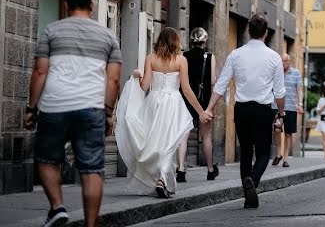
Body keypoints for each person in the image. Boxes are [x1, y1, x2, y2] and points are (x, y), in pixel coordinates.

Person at [25, 0, 122, 227]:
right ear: (91, 4)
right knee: (92, 168)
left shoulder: (51, 31)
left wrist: (31, 109)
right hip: (91, 108)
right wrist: (109, 113)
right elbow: (113, 80)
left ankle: (57, 206)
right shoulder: (108, 36)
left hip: (54, 106)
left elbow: (39, 71)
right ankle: (90, 224)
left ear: (66, 4)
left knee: (47, 159)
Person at [203, 14, 285, 209]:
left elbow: (221, 84)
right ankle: (253, 182)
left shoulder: (236, 54)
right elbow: (280, 92)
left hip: (241, 110)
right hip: (263, 110)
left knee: (246, 151)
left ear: (249, 30)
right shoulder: (274, 57)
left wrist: (208, 109)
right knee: (264, 152)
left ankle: (247, 188)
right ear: (266, 32)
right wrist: (281, 114)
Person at [116, 28, 207, 199]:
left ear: (159, 41)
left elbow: (144, 86)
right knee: (169, 142)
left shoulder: (151, 58)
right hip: (173, 102)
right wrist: (201, 111)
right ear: (175, 42)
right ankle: (161, 179)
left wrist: (136, 77)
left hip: (154, 102)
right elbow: (186, 89)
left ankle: (161, 178)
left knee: (156, 142)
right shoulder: (181, 60)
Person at [176, 27, 218, 182]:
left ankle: (181, 170)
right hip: (203, 102)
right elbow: (213, 80)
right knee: (206, 135)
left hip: (186, 100)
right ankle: (210, 170)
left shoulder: (183, 56)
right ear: (204, 41)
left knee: (183, 136)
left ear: (191, 41)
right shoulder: (210, 56)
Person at [271, 53, 303, 167]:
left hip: (290, 107)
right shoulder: (276, 72)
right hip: (276, 106)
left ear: (289, 61)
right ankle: (278, 153)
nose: (283, 63)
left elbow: (299, 90)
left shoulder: (296, 73)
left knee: (288, 133)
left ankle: (285, 158)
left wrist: (300, 104)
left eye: (284, 61)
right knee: (277, 130)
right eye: (281, 61)